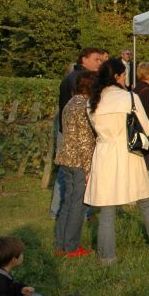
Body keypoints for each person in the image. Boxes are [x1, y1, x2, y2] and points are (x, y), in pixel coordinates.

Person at [85, 59, 149, 265]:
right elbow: (148, 129)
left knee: (106, 212)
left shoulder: (92, 101)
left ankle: (106, 258)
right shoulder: (129, 98)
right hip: (129, 154)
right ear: (116, 77)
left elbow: (94, 130)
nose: (126, 79)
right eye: (124, 75)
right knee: (145, 204)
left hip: (104, 155)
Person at [53, 70, 97, 257]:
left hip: (66, 158)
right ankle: (71, 247)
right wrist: (88, 169)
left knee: (67, 202)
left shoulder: (71, 103)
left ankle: (61, 245)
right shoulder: (86, 107)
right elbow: (85, 141)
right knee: (78, 205)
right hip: (79, 160)